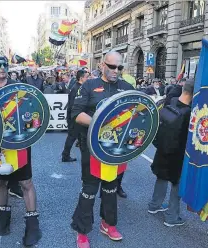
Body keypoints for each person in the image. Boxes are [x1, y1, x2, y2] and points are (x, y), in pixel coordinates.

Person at [71, 52, 134, 248]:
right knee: (89, 189)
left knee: (110, 187)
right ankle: (82, 231)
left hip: (116, 149)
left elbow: (137, 115)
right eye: (112, 66)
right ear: (101, 65)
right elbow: (77, 114)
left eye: (119, 67)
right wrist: (103, 124)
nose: (116, 71)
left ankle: (108, 224)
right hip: (92, 147)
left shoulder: (127, 88)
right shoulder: (89, 85)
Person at [0, 55, 41, 247]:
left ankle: (32, 224)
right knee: (0, 182)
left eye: (5, 65)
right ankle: (3, 217)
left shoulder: (18, 87)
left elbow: (32, 110)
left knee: (26, 182)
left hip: (19, 142)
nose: (2, 68)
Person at [148, 78, 194, 227]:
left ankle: (154, 205)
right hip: (177, 154)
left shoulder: (172, 100)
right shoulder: (189, 113)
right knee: (177, 184)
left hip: (162, 148)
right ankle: (172, 216)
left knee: (161, 177)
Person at [61, 70, 89, 162]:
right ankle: (65, 155)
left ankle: (84, 155)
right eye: (86, 77)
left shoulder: (80, 87)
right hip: (74, 117)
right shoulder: (77, 88)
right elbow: (73, 105)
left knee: (79, 137)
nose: (88, 79)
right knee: (72, 136)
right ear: (81, 78)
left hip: (77, 116)